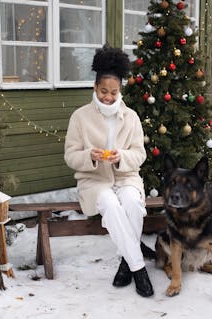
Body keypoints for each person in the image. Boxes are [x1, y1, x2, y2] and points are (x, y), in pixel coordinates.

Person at [64, 45, 153, 297]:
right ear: (95, 87)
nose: (108, 97)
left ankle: (126, 263)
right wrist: (88, 157)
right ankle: (138, 268)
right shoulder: (80, 117)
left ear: (120, 90)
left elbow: (139, 154)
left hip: (125, 177)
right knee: (112, 206)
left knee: (133, 205)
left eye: (114, 92)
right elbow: (70, 156)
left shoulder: (132, 117)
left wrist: (121, 157)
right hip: (94, 181)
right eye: (104, 91)